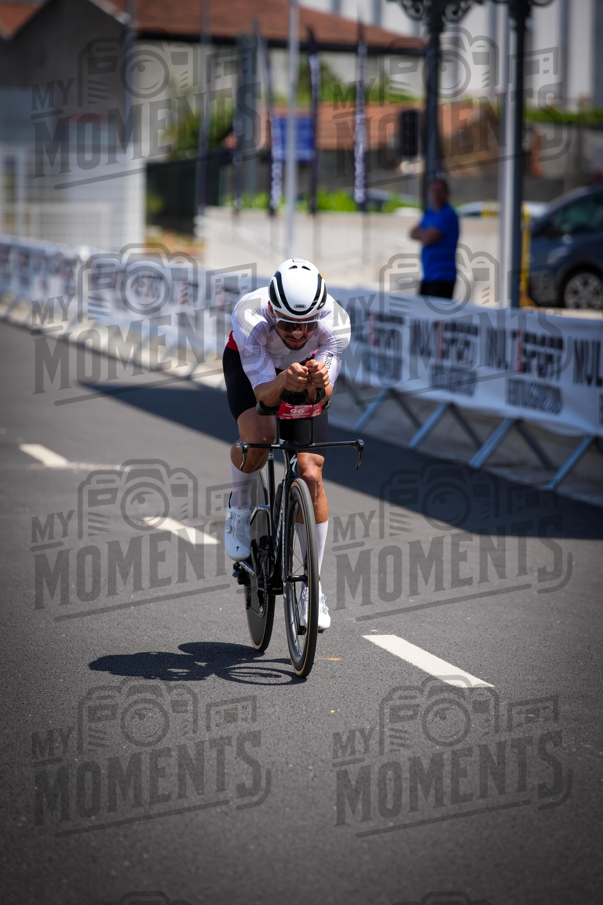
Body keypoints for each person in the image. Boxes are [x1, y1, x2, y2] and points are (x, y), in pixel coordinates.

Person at [222, 258, 351, 632]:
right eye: (290, 324)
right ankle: (240, 509)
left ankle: (313, 586)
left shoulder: (335, 325)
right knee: (258, 439)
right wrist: (284, 383)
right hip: (254, 371)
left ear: (320, 314)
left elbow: (323, 396)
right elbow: (263, 395)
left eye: (307, 324)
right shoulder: (251, 318)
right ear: (272, 310)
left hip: (303, 372)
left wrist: (315, 382)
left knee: (311, 470)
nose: (298, 333)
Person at [410, 177, 459, 300]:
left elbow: (428, 238)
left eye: (439, 191)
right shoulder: (430, 213)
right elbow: (412, 233)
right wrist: (425, 233)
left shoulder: (448, 214)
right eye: (433, 191)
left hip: (443, 278)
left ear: (447, 193)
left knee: (438, 317)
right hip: (428, 276)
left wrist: (424, 233)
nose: (436, 194)